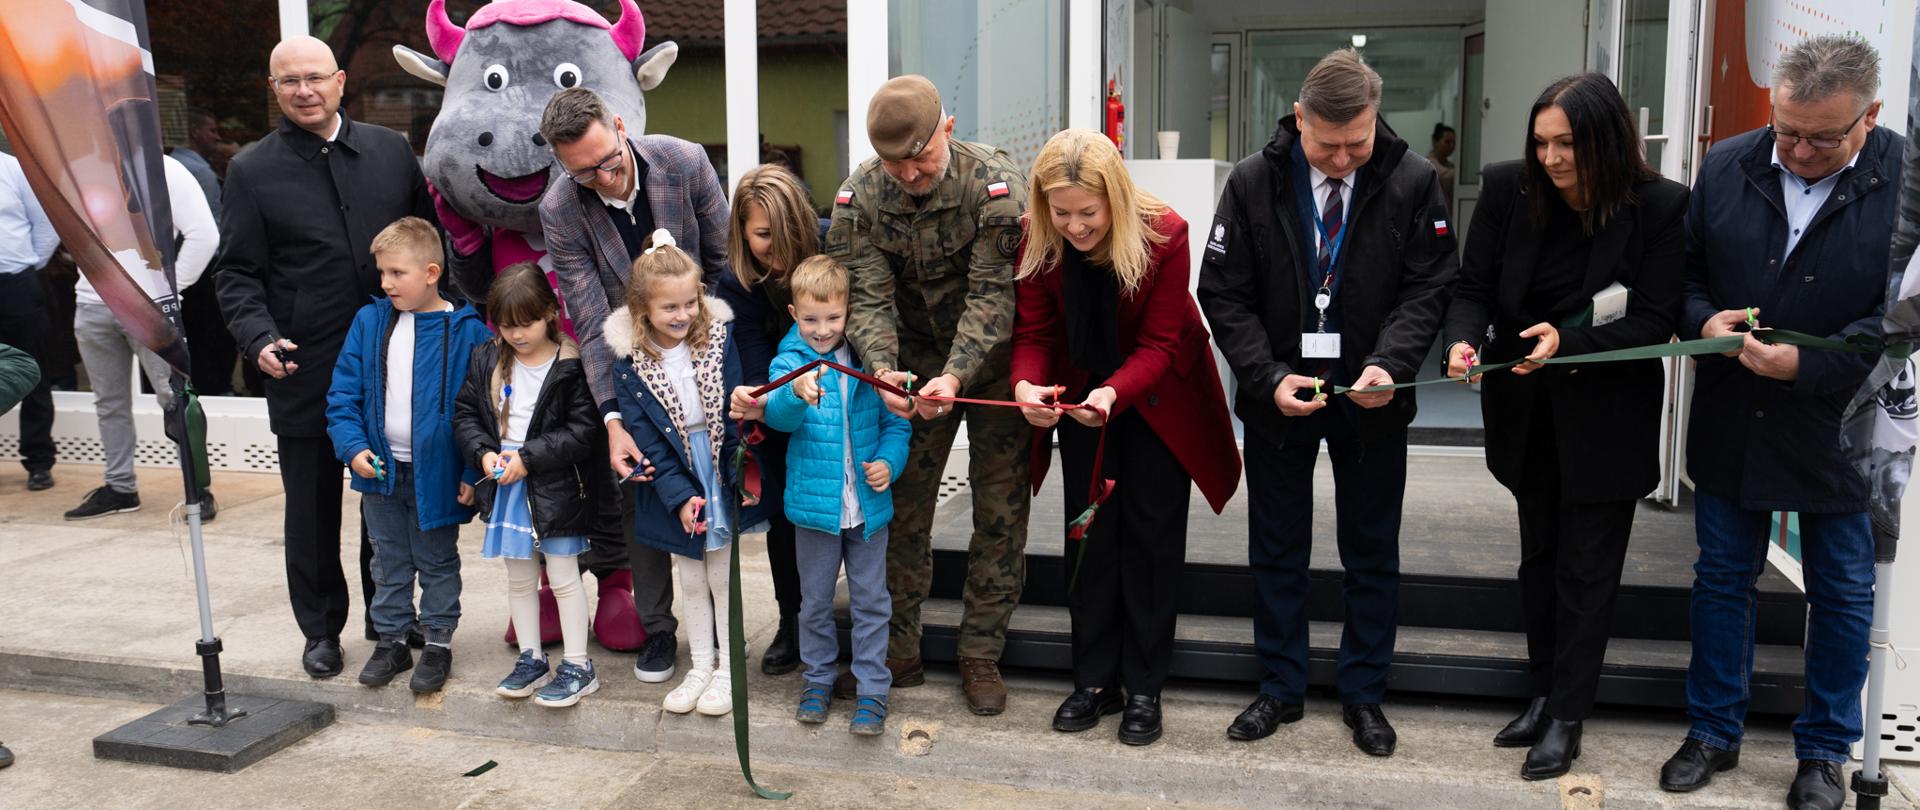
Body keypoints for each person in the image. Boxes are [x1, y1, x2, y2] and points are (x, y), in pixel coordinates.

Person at [1661, 35, 1901, 810]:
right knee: (1722, 578)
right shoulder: (1730, 162)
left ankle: (1825, 750)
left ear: (1872, 117)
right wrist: (1708, 321)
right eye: (1786, 130)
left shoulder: (1906, 181)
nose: (1796, 150)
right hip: (1736, 406)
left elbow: (1904, 318)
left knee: (1840, 587)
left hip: (1841, 421)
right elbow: (1686, 275)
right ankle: (1712, 731)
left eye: (1822, 137)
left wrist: (1811, 367)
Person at [1198, 48, 1455, 756]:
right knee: (1277, 547)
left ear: (1375, 122)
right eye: (1328, 145)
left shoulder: (1410, 180)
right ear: (1298, 119)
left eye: (1358, 143)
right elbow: (1221, 292)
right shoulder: (1253, 183)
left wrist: (1390, 365)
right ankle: (1279, 687)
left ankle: (1364, 694)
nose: (1343, 159)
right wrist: (1265, 375)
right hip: (1281, 394)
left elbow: (1431, 286)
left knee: (1371, 548)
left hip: (1371, 396)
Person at [1440, 73, 1689, 780]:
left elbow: (1653, 320)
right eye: (1542, 142)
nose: (1550, 159)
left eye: (1568, 145)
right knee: (1539, 560)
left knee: (1588, 569)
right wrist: (1462, 341)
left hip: (1606, 415)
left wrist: (1568, 346)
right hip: (1526, 411)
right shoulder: (1506, 189)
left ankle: (1568, 716)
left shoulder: (1661, 206)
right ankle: (1544, 691)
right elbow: (1474, 290)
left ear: (1606, 142)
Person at [1009, 129, 1241, 746]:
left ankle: (1144, 687)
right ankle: (1092, 682)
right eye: (1062, 213)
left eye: (1089, 213)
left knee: (1152, 538)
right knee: (1088, 536)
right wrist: (1028, 388)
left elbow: (1162, 343)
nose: (1076, 227)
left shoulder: (1168, 232)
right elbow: (1032, 333)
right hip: (1083, 396)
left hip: (1158, 397)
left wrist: (1115, 393)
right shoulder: (1038, 236)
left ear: (1116, 197)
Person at [214, 36, 436, 678]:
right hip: (303, 363)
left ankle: (388, 615)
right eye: (290, 82)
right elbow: (235, 273)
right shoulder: (251, 170)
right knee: (311, 507)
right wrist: (258, 339)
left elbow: (431, 247)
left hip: (393, 361)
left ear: (340, 82)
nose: (304, 91)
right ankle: (320, 630)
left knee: (388, 497)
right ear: (274, 89)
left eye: (314, 78)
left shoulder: (392, 152)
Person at [826, 74, 1031, 715]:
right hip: (909, 369)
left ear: (947, 125)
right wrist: (884, 369)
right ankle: (897, 652)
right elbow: (865, 291)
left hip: (991, 366)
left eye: (921, 157)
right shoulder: (859, 197)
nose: (911, 174)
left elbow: (994, 293)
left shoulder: (993, 186)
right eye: (896, 163)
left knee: (998, 514)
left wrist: (959, 373)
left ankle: (980, 654)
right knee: (903, 508)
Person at [538, 87, 734, 684]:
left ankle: (724, 635)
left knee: (717, 499)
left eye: (609, 161)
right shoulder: (561, 210)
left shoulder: (684, 161)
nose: (602, 177)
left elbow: (726, 267)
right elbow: (594, 322)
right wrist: (614, 421)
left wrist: (726, 369)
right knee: (643, 493)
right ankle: (659, 630)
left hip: (706, 355)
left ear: (621, 126)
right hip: (634, 373)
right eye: (583, 171)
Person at [324, 217, 492, 694]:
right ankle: (393, 639)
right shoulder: (370, 321)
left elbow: (480, 411)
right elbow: (343, 395)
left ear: (432, 272)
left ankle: (437, 642)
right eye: (382, 273)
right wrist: (353, 448)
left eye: (397, 273)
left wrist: (468, 470)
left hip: (437, 475)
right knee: (388, 561)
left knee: (437, 561)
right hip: (380, 473)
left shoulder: (468, 333)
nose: (386, 283)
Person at [605, 229, 764, 717]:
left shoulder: (719, 340)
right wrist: (678, 497)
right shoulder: (631, 364)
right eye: (669, 308)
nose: (682, 316)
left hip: (717, 465)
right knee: (691, 578)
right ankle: (699, 665)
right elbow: (646, 437)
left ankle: (726, 668)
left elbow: (736, 407)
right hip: (676, 475)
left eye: (689, 303)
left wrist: (740, 473)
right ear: (642, 311)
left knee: (721, 575)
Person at [760, 255, 911, 736]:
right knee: (815, 602)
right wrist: (794, 393)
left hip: (867, 511)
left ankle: (871, 691)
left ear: (849, 313)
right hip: (815, 511)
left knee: (871, 602)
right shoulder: (788, 362)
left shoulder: (872, 361)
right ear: (793, 313)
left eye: (832, 318)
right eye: (810, 319)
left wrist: (889, 463)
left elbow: (895, 424)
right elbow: (778, 418)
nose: (822, 330)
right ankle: (818, 679)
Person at [454, 262, 613, 708]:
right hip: (507, 486)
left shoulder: (569, 365)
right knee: (520, 578)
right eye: (506, 326)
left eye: (525, 324)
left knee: (563, 577)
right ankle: (531, 658)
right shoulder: (488, 357)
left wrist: (529, 457)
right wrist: (484, 452)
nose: (517, 334)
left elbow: (584, 432)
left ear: (550, 313)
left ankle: (579, 665)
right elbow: (465, 413)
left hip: (557, 488)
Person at [65, 154, 221, 521]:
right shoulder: (79, 165)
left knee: (175, 399)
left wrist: (167, 290)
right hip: (92, 303)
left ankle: (198, 488)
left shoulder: (162, 167)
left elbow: (205, 234)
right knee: (109, 402)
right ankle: (120, 487)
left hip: (150, 308)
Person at [718, 164, 818, 676]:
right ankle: (792, 621)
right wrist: (767, 396)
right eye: (760, 235)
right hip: (778, 409)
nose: (773, 248)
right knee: (786, 516)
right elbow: (754, 360)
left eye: (783, 235)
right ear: (741, 230)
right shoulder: (736, 281)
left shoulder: (828, 251)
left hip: (839, 404)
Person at [0, 151, 60, 491]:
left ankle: (38, 461)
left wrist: (27, 264)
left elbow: (46, 223)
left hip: (16, 283)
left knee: (34, 372)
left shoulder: (13, 168)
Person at [1428, 122, 1458, 215]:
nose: (1452, 146)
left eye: (1454, 142)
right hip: (1435, 215)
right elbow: (1445, 175)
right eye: (1448, 142)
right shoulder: (1428, 164)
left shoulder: (1451, 166)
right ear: (1435, 142)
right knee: (1441, 230)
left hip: (1449, 215)